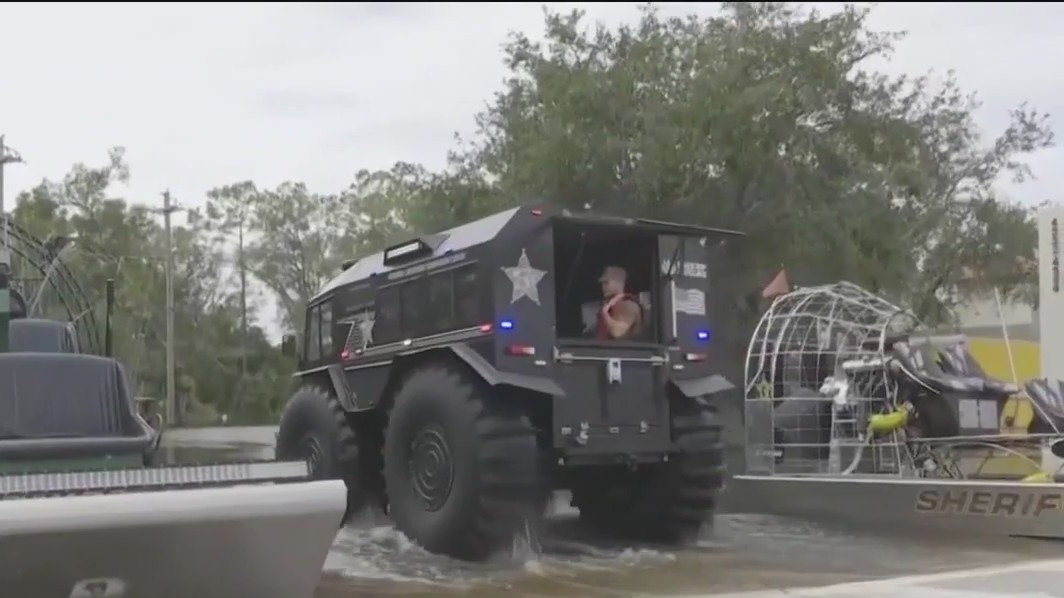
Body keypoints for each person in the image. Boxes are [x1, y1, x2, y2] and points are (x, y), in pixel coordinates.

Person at [596, 265, 643, 340]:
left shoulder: (630, 306)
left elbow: (617, 332)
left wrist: (605, 312)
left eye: (606, 282)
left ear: (618, 282)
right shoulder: (611, 304)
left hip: (627, 350)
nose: (603, 286)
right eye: (602, 283)